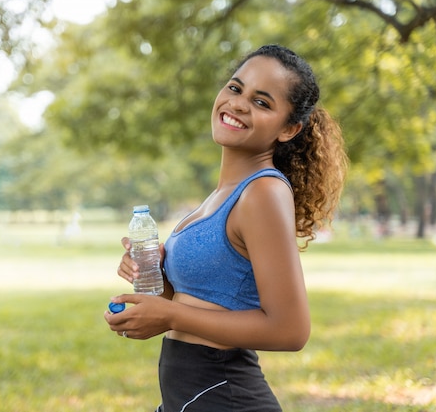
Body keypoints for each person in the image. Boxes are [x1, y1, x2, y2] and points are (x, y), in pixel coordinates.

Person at [104, 44, 348, 411]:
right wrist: (153, 277)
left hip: (223, 394)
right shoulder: (219, 196)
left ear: (289, 128)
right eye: (236, 88)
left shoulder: (263, 192)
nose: (238, 104)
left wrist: (168, 315)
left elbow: (290, 330)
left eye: (262, 102)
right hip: (189, 395)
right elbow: (209, 301)